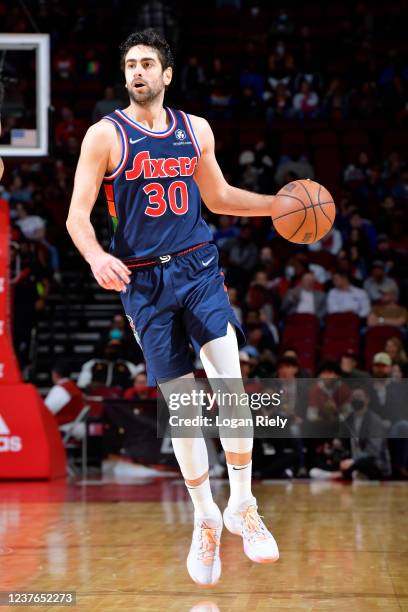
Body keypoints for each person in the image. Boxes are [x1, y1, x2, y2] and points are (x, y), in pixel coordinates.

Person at [66, 29, 279, 586]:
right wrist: (94, 256)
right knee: (182, 407)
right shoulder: (104, 136)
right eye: (130, 64)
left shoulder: (195, 129)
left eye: (147, 64)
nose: (137, 72)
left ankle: (244, 504)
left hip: (198, 267)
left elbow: (220, 197)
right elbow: (76, 216)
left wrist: (278, 206)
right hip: (143, 283)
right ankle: (205, 516)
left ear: (166, 75)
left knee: (229, 379)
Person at [44, 362, 86, 439]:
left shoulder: (61, 389)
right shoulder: (73, 387)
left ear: (55, 374)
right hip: (76, 424)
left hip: (67, 426)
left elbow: (46, 411)